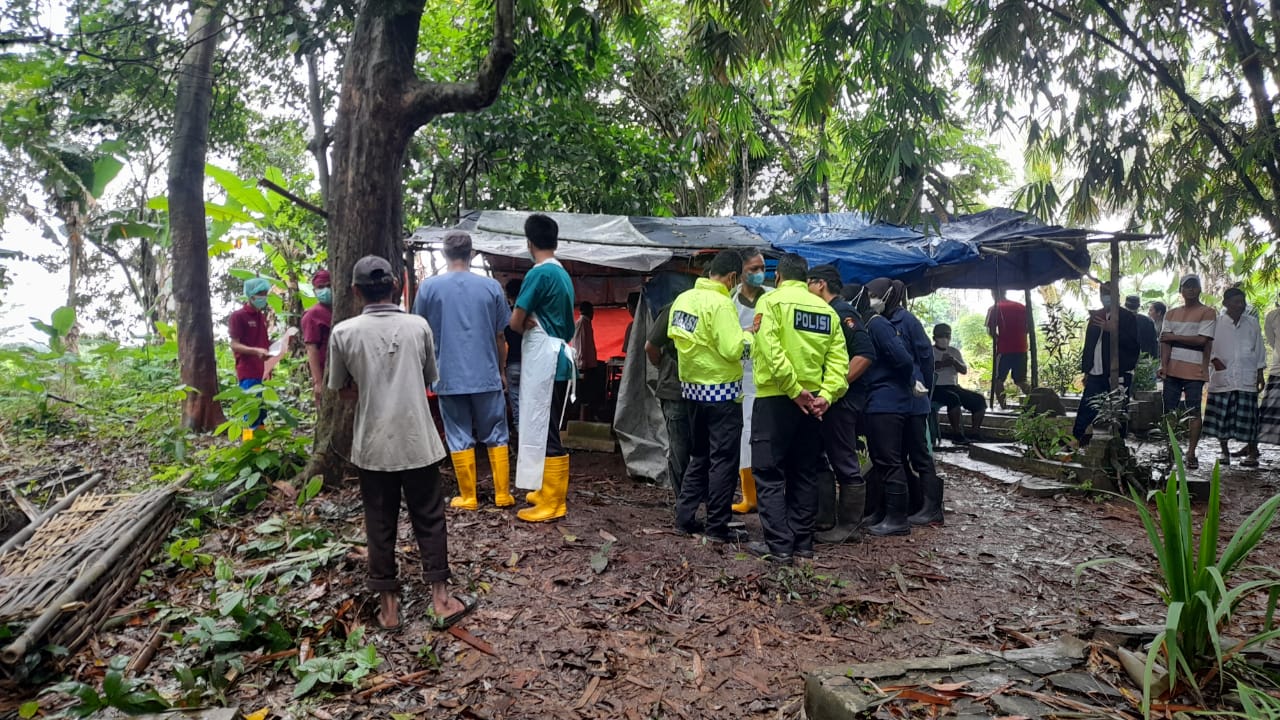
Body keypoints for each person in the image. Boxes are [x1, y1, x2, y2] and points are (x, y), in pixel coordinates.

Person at [327, 255, 475, 632]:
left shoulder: (343, 333)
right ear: (397, 285)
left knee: (379, 522)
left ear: (356, 291)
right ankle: (441, 600)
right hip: (418, 440)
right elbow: (429, 378)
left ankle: (389, 610)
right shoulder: (417, 326)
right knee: (429, 518)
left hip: (373, 445)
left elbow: (342, 392)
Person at [746, 254, 849, 564]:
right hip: (814, 405)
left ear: (778, 276)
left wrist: (792, 390)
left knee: (769, 472)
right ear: (806, 280)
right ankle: (802, 543)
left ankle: (778, 545)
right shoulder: (826, 311)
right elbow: (839, 362)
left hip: (776, 398)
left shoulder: (770, 302)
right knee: (804, 472)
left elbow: (769, 347)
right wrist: (826, 396)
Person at [413, 231, 514, 511]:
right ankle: (502, 494)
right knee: (496, 431)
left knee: (458, 433)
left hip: (447, 376)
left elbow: (420, 333)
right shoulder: (491, 287)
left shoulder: (429, 288)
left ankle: (468, 496)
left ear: (445, 255)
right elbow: (500, 337)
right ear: (471, 254)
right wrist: (501, 370)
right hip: (486, 374)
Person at [667, 250, 751, 542]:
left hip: (692, 391)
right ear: (731, 278)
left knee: (699, 456)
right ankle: (717, 526)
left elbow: (676, 338)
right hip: (722, 394)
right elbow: (731, 349)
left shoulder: (684, 299)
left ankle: (684, 517)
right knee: (723, 461)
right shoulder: (721, 304)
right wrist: (748, 337)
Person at [509, 214, 576, 522]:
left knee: (545, 429)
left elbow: (515, 322)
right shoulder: (562, 274)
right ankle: (545, 490)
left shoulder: (538, 274)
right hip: (559, 358)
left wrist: (526, 325)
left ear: (530, 243)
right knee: (545, 424)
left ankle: (553, 501)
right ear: (556, 240)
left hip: (545, 363)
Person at [806, 265, 875, 545]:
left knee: (844, 460)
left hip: (842, 401)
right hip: (827, 400)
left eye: (808, 283)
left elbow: (865, 354)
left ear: (821, 284)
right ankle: (823, 518)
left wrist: (835, 386)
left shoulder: (842, 312)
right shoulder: (825, 312)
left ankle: (848, 527)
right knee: (820, 456)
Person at [872, 279, 944, 528]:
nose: (870, 298)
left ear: (888, 295)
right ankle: (912, 504)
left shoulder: (908, 321)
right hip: (896, 401)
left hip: (914, 400)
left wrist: (923, 389)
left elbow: (926, 358)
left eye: (874, 294)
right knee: (898, 455)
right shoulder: (880, 321)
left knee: (920, 455)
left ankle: (932, 508)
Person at [852, 279, 915, 535]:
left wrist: (893, 383)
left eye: (872, 294)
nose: (870, 297)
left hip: (887, 402)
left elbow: (904, 359)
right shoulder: (868, 323)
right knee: (879, 460)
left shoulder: (878, 325)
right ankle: (881, 512)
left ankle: (898, 518)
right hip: (877, 400)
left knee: (890, 460)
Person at [1204, 287, 1267, 466]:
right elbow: (1207, 346)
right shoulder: (1216, 322)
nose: (1240, 305)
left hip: (1247, 375)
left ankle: (1252, 453)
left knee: (1249, 417)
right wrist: (1214, 360)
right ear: (1225, 304)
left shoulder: (1252, 323)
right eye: (1236, 302)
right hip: (1223, 375)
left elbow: (1259, 348)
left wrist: (1260, 373)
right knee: (1221, 417)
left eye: (1242, 302)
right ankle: (1224, 453)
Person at [1159, 274, 1217, 469]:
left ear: (1199, 289)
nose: (1190, 290)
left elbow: (1202, 340)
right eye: (1187, 286)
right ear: (1181, 290)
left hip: (1195, 371)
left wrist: (1174, 337)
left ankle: (1191, 452)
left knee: (1193, 412)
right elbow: (1165, 342)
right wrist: (1163, 365)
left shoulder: (1208, 312)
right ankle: (1170, 448)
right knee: (1169, 410)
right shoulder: (1171, 313)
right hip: (1172, 370)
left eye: (1194, 286)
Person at [730, 249, 771, 514]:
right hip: (740, 376)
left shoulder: (772, 297)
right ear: (740, 272)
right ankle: (749, 496)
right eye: (753, 269)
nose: (759, 274)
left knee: (769, 436)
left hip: (770, 376)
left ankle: (772, 493)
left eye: (762, 268)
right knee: (744, 436)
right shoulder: (729, 300)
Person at [1072, 285, 1139, 445]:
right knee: (1087, 406)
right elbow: (1089, 344)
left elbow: (1133, 345)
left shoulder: (1127, 317)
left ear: (1117, 294)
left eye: (1109, 293)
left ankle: (1119, 443)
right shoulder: (1096, 315)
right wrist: (1087, 371)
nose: (1105, 297)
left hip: (1118, 371)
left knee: (1120, 408)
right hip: (1096, 371)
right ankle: (1076, 440)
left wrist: (1113, 330)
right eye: (1103, 293)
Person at [645, 303, 693, 499]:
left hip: (676, 386)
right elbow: (651, 347)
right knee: (692, 447)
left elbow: (650, 347)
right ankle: (692, 498)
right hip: (702, 389)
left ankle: (683, 501)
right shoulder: (716, 305)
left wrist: (664, 366)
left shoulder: (675, 307)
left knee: (679, 447)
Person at [228, 277, 275, 440]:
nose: (264, 297)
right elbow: (234, 344)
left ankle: (259, 449)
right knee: (251, 413)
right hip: (247, 372)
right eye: (260, 294)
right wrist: (255, 351)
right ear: (251, 295)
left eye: (265, 293)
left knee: (261, 412)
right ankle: (250, 449)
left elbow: (263, 343)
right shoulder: (238, 316)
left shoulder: (261, 317)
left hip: (262, 371)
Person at [931, 323, 986, 443]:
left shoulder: (954, 351)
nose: (945, 338)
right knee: (953, 398)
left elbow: (964, 370)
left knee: (979, 400)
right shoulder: (930, 351)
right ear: (934, 338)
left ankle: (974, 433)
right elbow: (925, 368)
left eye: (947, 335)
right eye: (941, 335)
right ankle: (957, 434)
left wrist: (954, 362)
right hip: (936, 388)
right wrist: (942, 364)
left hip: (953, 386)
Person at [986, 289, 1031, 407]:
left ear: (993, 294)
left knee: (998, 379)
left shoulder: (994, 308)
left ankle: (1003, 406)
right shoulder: (1022, 307)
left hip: (1004, 349)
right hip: (1021, 348)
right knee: (1021, 380)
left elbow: (991, 330)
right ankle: (1034, 402)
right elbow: (1028, 328)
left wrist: (1000, 339)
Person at [303, 270, 333, 406]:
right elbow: (311, 348)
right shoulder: (313, 314)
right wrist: (318, 382)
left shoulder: (340, 308)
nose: (326, 290)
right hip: (326, 371)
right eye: (321, 287)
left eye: (329, 285)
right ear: (314, 291)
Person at [573, 301, 603, 422]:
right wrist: (582, 366)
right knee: (585, 395)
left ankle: (587, 416)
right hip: (584, 366)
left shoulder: (586, 323)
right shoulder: (582, 323)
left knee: (589, 394)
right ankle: (583, 419)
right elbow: (581, 346)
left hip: (587, 365)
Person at [1259, 294, 1280, 445]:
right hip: (1278, 369)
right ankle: (1254, 447)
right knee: (1270, 412)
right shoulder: (1272, 316)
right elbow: (1272, 341)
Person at [504, 279, 524, 431]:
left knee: (516, 402)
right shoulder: (529, 312)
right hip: (531, 363)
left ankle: (519, 433)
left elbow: (500, 338)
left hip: (512, 363)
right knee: (532, 402)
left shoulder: (506, 314)